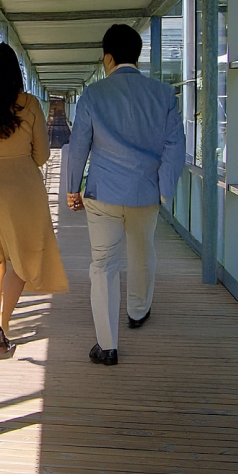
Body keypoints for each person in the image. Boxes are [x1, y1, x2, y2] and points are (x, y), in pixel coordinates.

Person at [64, 24, 186, 366]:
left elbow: (78, 146)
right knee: (142, 250)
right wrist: (164, 190)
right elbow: (176, 146)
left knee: (103, 264)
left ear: (108, 57)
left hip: (102, 192)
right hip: (146, 193)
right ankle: (137, 311)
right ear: (138, 53)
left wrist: (72, 188)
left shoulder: (94, 94)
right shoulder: (163, 94)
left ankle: (107, 345)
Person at [0, 43, 69, 359]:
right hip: (23, 190)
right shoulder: (29, 104)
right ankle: (3, 326)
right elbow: (43, 155)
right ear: (16, 72)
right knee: (21, 257)